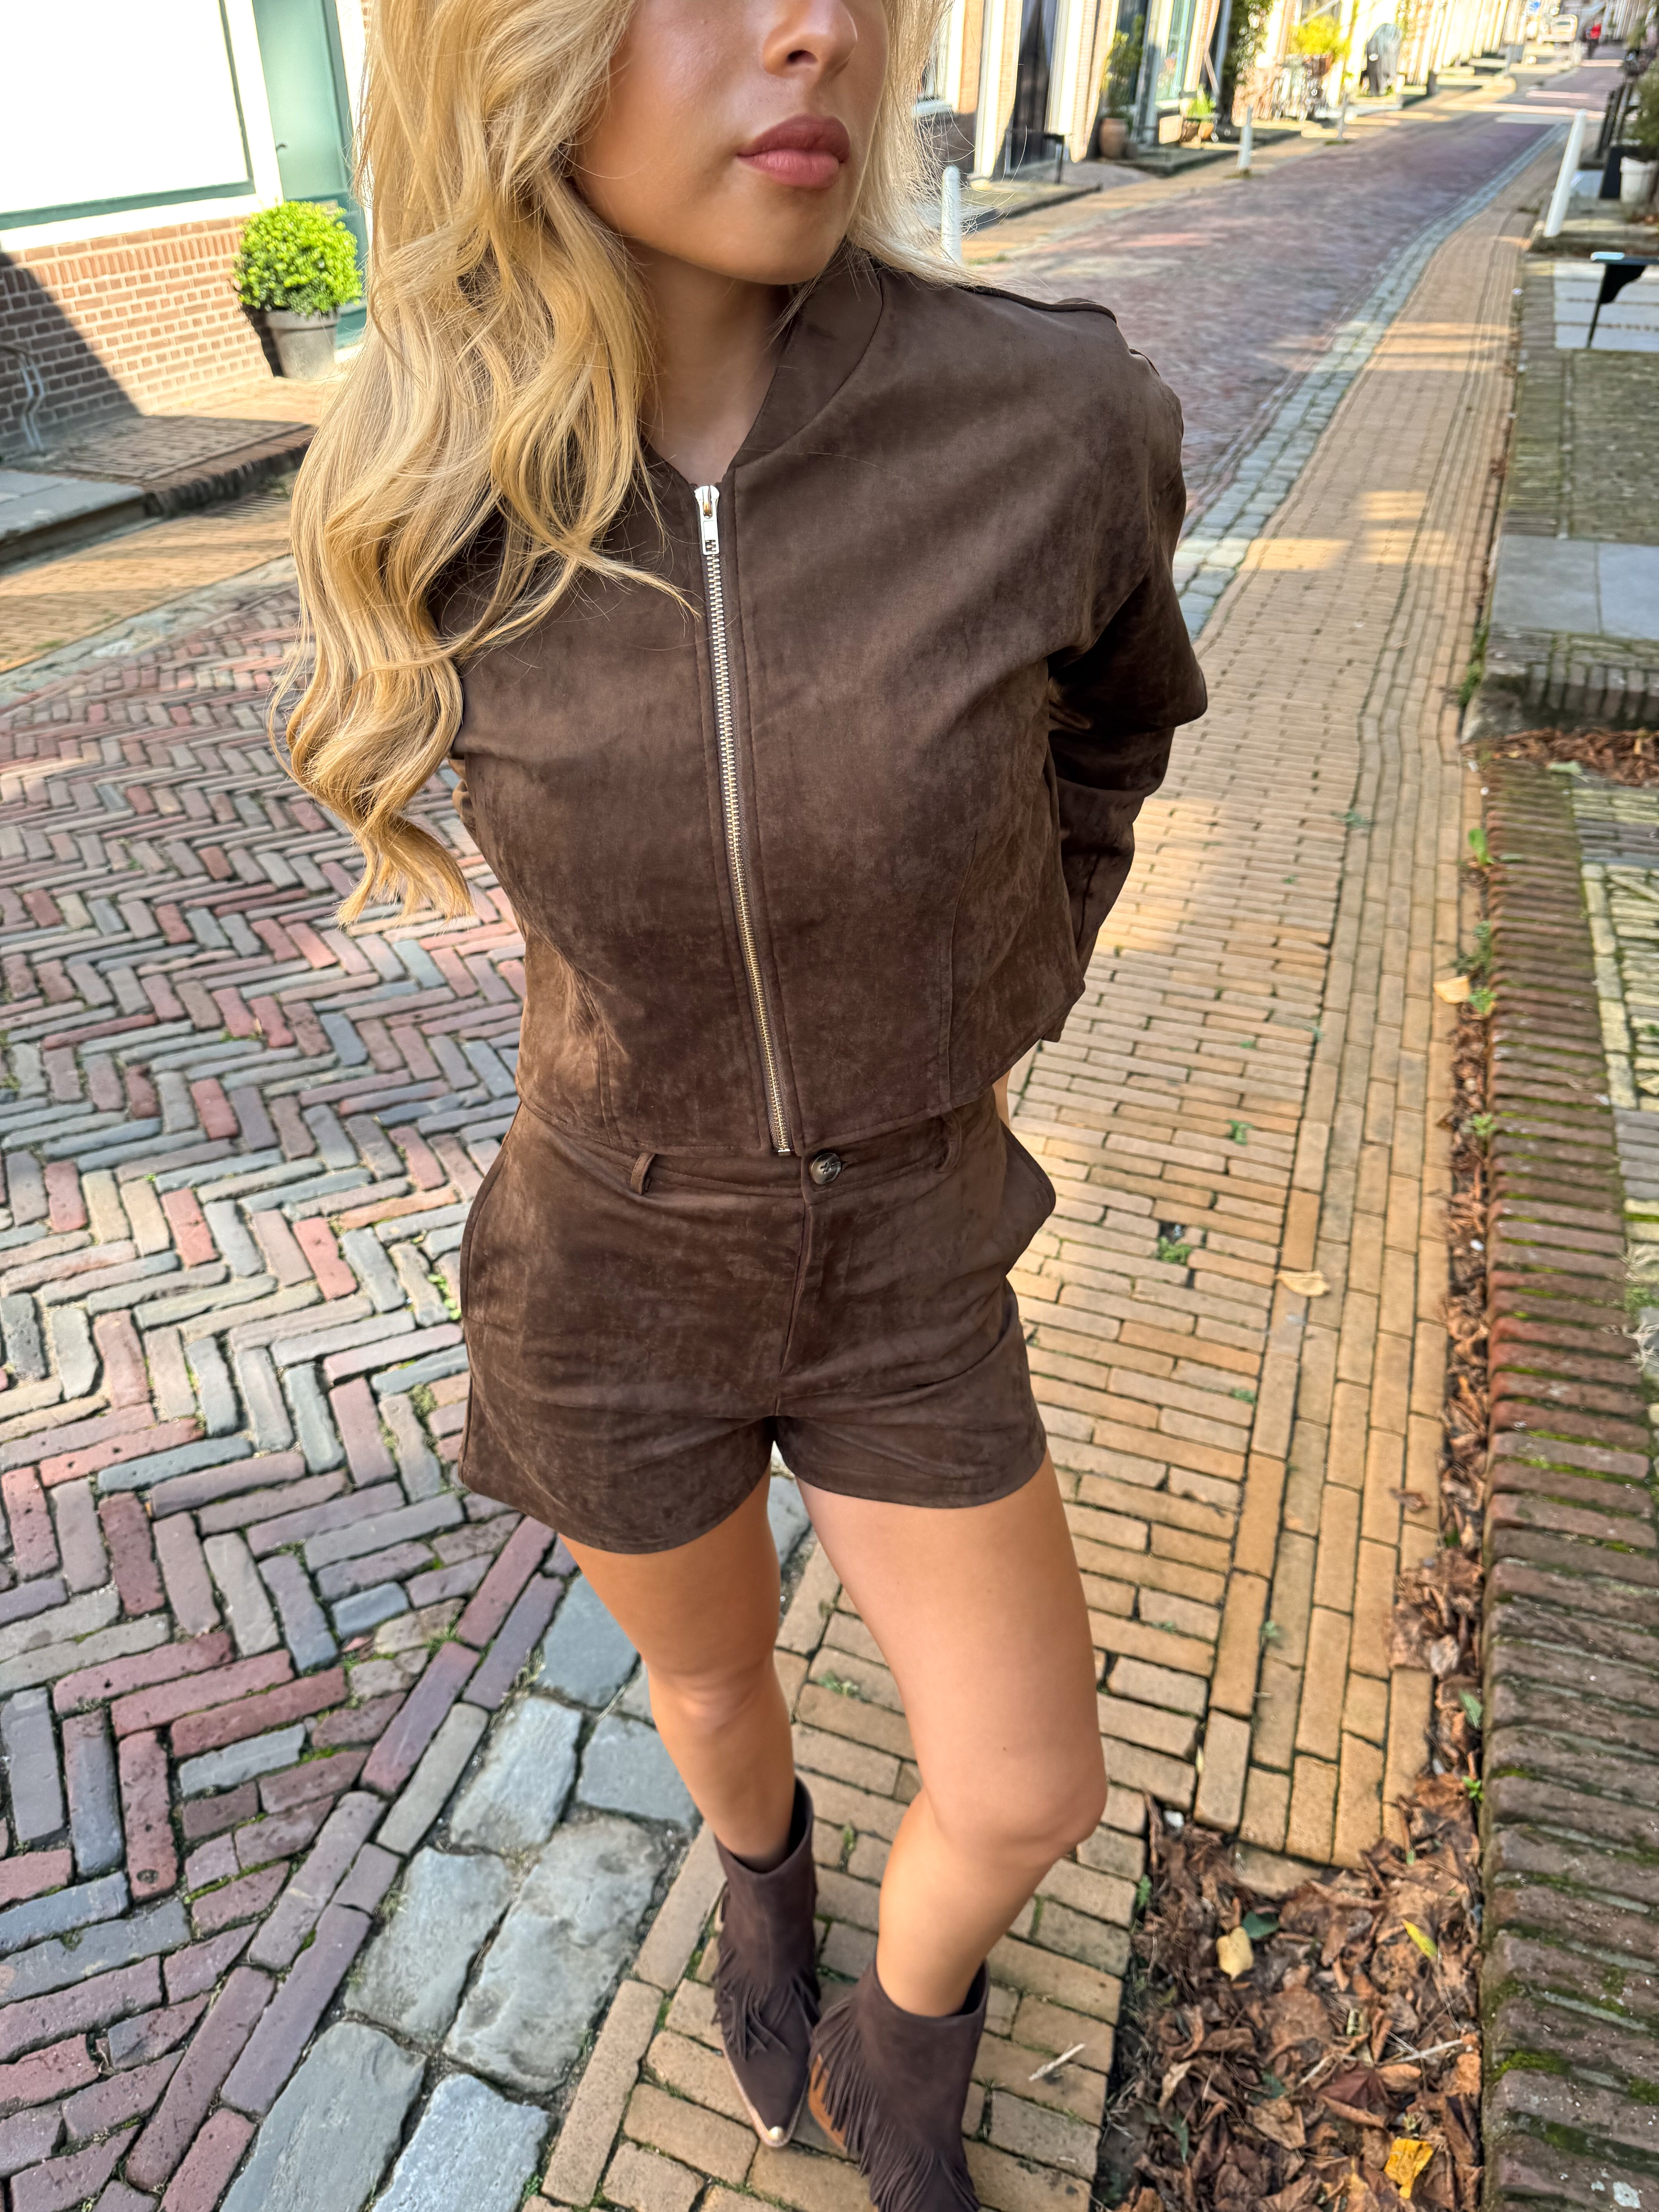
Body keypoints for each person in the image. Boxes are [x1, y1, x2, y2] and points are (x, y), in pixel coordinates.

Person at [280, 0, 1206, 2202]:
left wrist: (1012, 977)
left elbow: (1116, 730)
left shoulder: (1052, 418)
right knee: (712, 1704)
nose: (819, 30)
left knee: (1028, 1784)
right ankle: (764, 1885)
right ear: (517, 53)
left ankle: (908, 2034)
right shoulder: (440, 484)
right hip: (612, 1254)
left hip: (910, 1250)